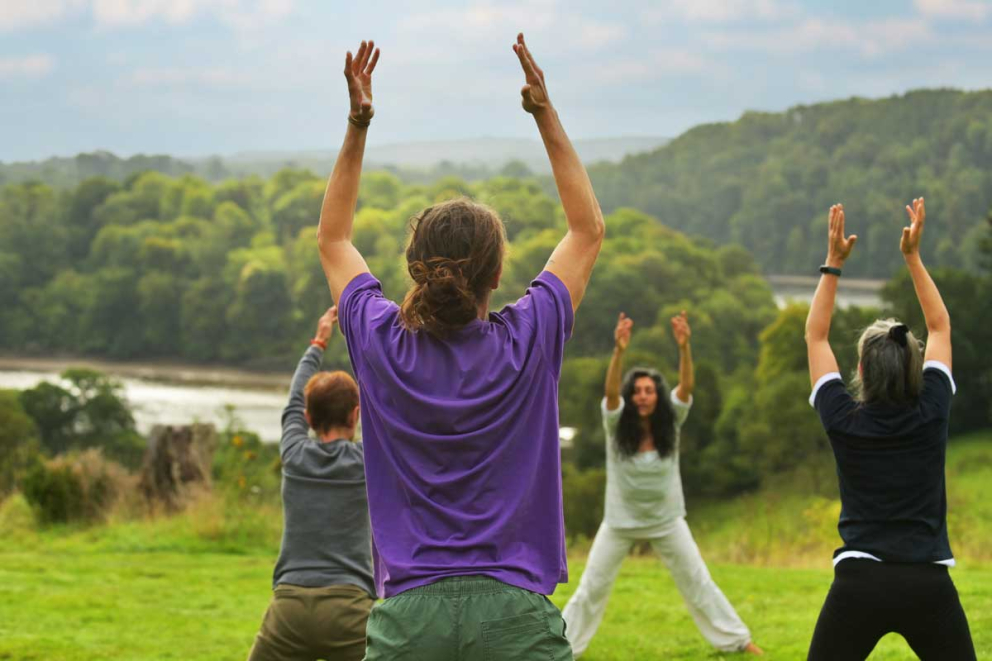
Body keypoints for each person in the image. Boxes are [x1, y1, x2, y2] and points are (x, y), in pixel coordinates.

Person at [316, 34, 604, 660]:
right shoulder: (531, 336)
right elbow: (587, 230)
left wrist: (358, 123)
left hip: (407, 620)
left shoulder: (378, 339)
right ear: (496, 276)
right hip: (517, 619)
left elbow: (334, 239)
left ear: (416, 270)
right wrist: (543, 111)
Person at [804, 200, 976, 660]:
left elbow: (816, 337)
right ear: (918, 370)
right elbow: (940, 325)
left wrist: (833, 264)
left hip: (859, 583)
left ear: (858, 367)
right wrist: (913, 256)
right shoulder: (933, 408)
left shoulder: (843, 418)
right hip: (927, 585)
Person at [561, 311, 762, 656]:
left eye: (649, 391)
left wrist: (684, 348)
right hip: (620, 521)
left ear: (657, 396)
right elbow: (610, 395)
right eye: (637, 391)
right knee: (591, 588)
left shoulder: (673, 423)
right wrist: (618, 352)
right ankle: (560, 648)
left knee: (698, 582)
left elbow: (686, 388)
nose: (642, 396)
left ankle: (737, 642)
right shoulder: (615, 424)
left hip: (667, 519)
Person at [247, 307, 375, 661]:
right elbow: (393, 416)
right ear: (356, 415)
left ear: (307, 418)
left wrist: (318, 342)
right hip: (352, 610)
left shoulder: (295, 455)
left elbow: (291, 403)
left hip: (289, 609)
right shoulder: (370, 461)